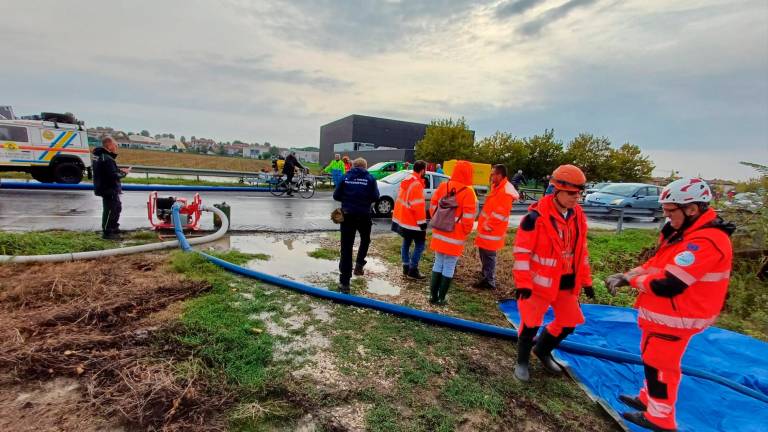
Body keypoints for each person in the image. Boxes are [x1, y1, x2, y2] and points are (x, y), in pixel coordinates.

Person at [604, 178, 734, 432]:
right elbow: (656, 265)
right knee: (652, 359)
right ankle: (648, 399)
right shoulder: (684, 235)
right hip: (665, 315)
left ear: (692, 209)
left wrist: (633, 283)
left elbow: (670, 283)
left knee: (661, 367)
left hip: (679, 315)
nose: (667, 217)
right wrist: (626, 275)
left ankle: (660, 418)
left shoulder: (704, 242)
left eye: (671, 212)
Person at [512, 164, 594, 382]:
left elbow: (581, 251)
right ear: (556, 190)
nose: (576, 198)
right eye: (571, 194)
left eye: (579, 194)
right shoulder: (535, 218)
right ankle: (522, 360)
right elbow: (522, 254)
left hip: (566, 283)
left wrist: (586, 280)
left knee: (569, 321)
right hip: (538, 285)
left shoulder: (578, 216)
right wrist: (523, 283)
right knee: (530, 323)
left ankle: (542, 350)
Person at [428, 160, 477, 305]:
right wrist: (465, 232)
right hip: (455, 235)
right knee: (449, 265)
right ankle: (442, 298)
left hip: (439, 232)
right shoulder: (468, 193)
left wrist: (438, 221)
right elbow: (469, 218)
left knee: (438, 262)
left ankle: (432, 296)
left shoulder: (444, 186)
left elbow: (432, 206)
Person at [333, 158, 380, 293]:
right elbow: (376, 197)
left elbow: (336, 196)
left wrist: (348, 199)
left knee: (346, 248)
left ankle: (344, 283)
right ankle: (359, 264)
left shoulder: (345, 177)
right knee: (365, 240)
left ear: (353, 166)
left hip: (347, 215)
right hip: (364, 215)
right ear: (365, 167)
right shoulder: (370, 178)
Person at [472, 164, 519, 289]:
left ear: (499, 175)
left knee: (489, 254)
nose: (491, 176)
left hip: (492, 230)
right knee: (484, 252)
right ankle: (485, 275)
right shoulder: (498, 187)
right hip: (487, 228)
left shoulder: (505, 191)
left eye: (493, 174)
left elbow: (500, 213)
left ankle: (489, 280)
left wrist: (488, 225)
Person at [392, 160, 428, 280]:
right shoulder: (416, 184)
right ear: (422, 170)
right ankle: (413, 270)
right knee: (420, 245)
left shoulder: (407, 180)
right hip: (413, 223)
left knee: (406, 243)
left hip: (404, 221)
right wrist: (422, 224)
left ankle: (406, 267)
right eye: (425, 169)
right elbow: (418, 207)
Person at [92, 136, 130, 239]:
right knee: (110, 210)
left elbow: (107, 171)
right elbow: (113, 175)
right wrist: (124, 173)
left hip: (107, 187)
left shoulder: (101, 156)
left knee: (117, 208)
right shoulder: (106, 158)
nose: (116, 146)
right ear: (109, 145)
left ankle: (114, 228)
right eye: (115, 144)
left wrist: (118, 169)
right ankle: (108, 232)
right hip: (108, 189)